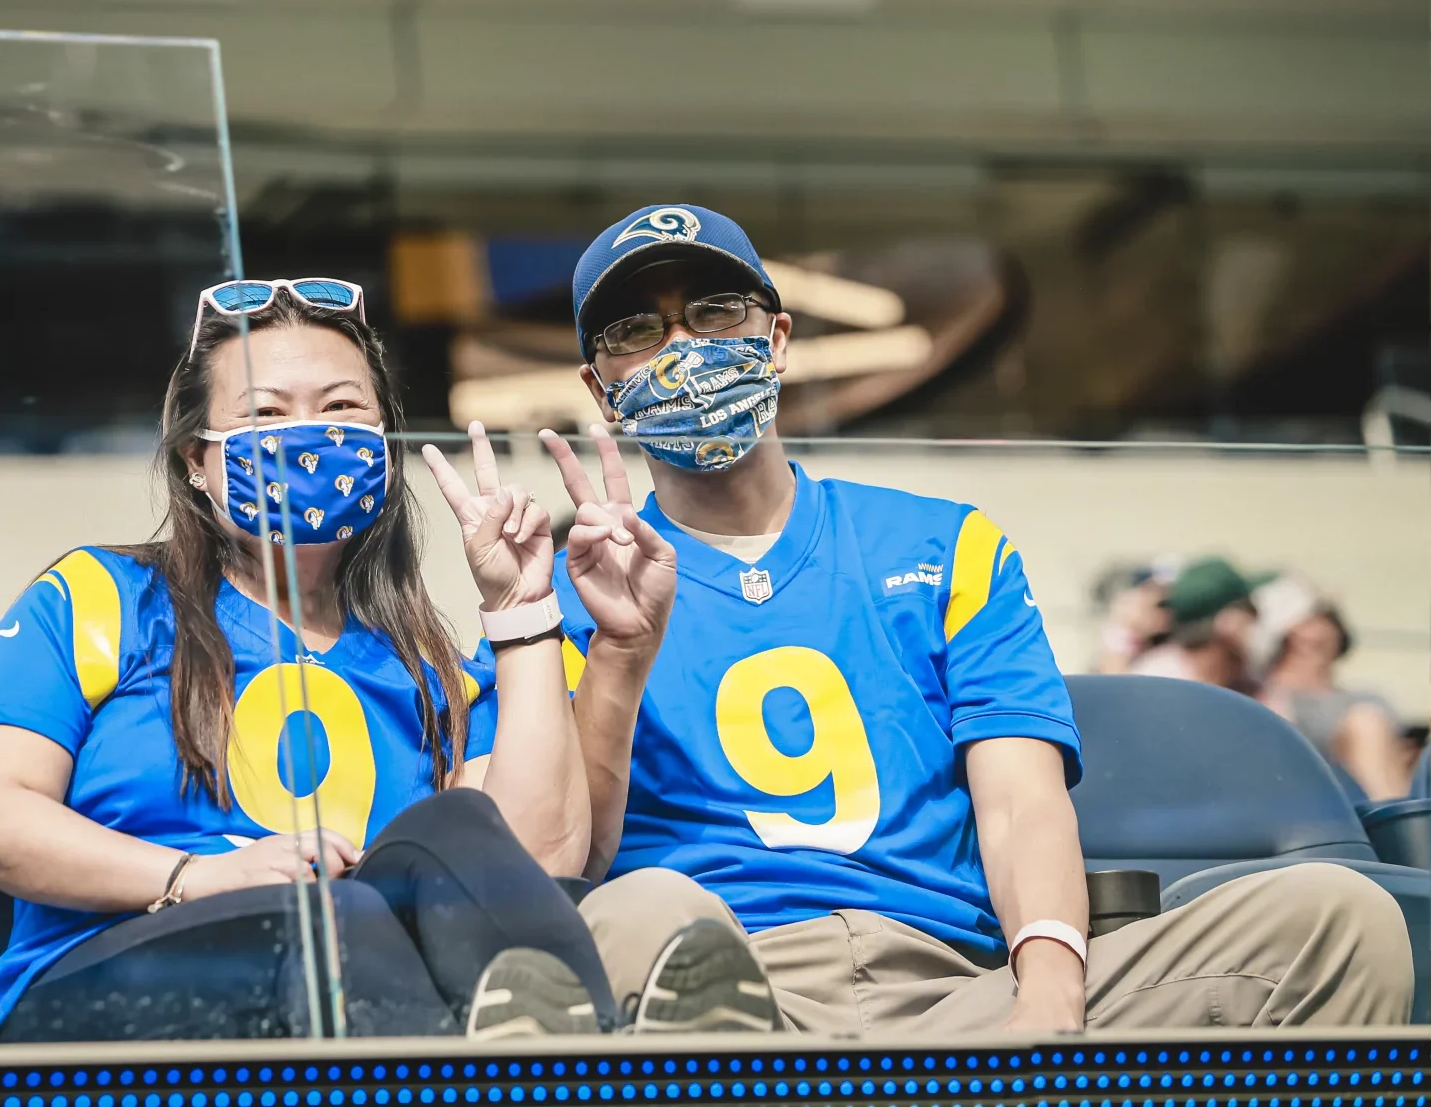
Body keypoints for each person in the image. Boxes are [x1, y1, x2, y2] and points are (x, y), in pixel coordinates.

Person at [545, 203, 1412, 1035]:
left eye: (716, 311)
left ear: (776, 339)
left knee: (1340, 919)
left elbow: (1019, 806)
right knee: (636, 908)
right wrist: (617, 655)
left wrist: (1047, 1000)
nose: (686, 346)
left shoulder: (946, 546)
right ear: (599, 386)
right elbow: (562, 862)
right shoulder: (567, 593)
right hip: (720, 998)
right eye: (636, 331)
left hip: (959, 997)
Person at [0, 276, 705, 1044]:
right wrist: (191, 878)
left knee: (455, 833)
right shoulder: (100, 598)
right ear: (194, 464)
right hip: (103, 989)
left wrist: (523, 610)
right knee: (336, 923)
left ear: (384, 442)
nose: (304, 434)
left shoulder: (422, 665)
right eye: (265, 413)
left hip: (362, 986)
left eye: (340, 408)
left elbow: (534, 867)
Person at [1256, 575, 1414, 801]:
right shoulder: (1266, 700)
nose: (1315, 633)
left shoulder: (1369, 699)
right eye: (1304, 623)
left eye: (1325, 621)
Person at [1125, 556, 1262, 691]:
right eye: (1247, 612)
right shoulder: (1160, 679)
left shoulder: (1243, 675)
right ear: (1225, 622)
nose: (1252, 625)